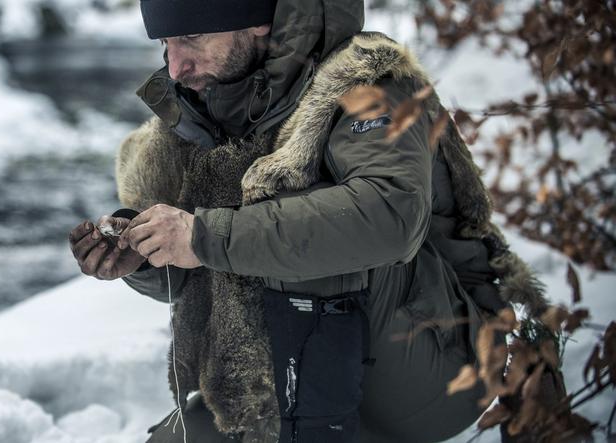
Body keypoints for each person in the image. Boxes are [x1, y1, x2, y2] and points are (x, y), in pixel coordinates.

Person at [68, 0, 548, 441]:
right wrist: (148, 256)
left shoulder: (369, 82)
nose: (175, 67)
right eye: (165, 44)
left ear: (258, 20)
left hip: (435, 375)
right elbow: (201, 262)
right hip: (278, 387)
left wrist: (205, 235)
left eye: (191, 39)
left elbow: (388, 216)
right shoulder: (202, 104)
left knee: (312, 216)